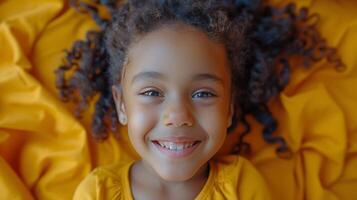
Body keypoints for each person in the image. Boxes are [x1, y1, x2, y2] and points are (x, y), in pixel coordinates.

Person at [55, 0, 342, 199]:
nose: (178, 115)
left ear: (229, 108)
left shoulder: (242, 186)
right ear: (121, 105)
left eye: (203, 93)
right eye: (152, 93)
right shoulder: (97, 192)